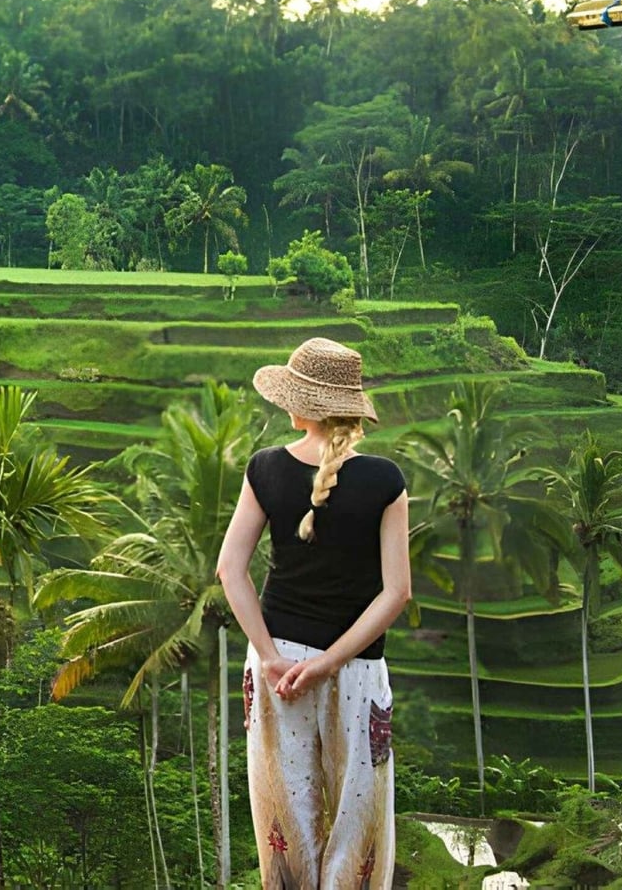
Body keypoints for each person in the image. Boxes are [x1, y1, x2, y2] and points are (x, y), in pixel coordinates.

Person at [215, 337, 411, 889]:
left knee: (284, 817)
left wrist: (272, 657)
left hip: (278, 667)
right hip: (357, 670)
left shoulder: (266, 469)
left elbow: (231, 571)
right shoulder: (385, 480)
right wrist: (329, 663)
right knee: (359, 819)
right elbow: (396, 593)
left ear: (304, 405)